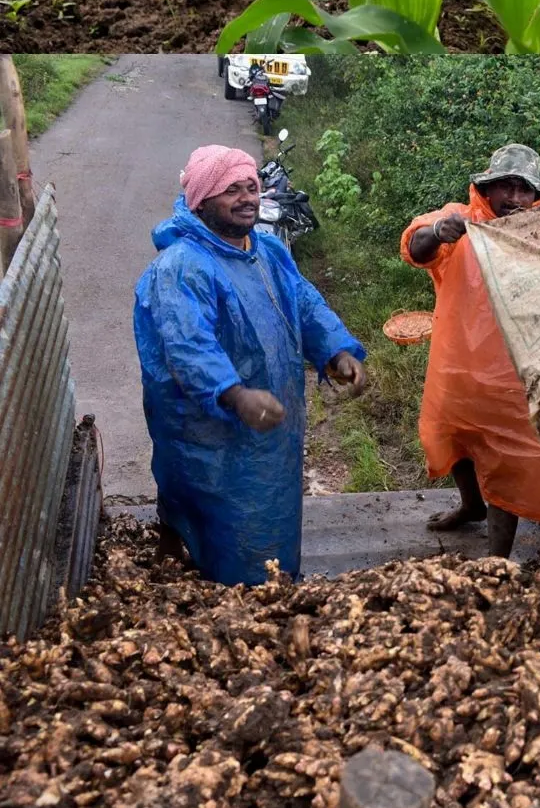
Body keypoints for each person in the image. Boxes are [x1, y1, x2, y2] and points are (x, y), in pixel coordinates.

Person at [134, 145, 367, 584]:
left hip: (271, 428)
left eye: (251, 188)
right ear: (202, 201)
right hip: (212, 435)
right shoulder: (183, 267)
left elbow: (305, 303)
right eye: (231, 190)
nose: (247, 199)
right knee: (230, 530)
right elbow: (188, 345)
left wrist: (337, 351)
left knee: (272, 512)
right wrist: (235, 394)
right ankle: (236, 598)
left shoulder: (266, 252)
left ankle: (271, 585)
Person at [401, 143, 540, 556]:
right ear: (486, 190)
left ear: (536, 196)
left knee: (506, 461)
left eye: (524, 189)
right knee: (453, 437)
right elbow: (417, 247)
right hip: (456, 364)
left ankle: (496, 561)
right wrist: (437, 234)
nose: (514, 198)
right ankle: (471, 506)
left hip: (513, 374)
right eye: (505, 187)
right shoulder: (461, 222)